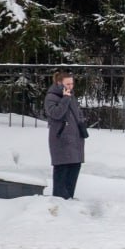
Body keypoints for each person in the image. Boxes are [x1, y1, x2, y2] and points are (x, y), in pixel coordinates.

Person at [44, 69, 86, 199]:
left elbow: (77, 113)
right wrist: (65, 99)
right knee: (62, 168)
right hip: (61, 139)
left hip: (75, 138)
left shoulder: (71, 96)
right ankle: (59, 200)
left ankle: (69, 199)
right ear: (59, 83)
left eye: (72, 83)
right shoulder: (51, 97)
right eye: (67, 84)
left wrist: (81, 123)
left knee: (75, 166)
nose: (70, 86)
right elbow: (56, 114)